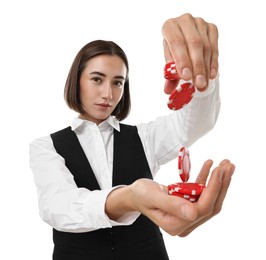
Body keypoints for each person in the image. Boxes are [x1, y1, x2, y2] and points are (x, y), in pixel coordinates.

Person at [29, 13, 235, 260]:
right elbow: (58, 207)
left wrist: (200, 79)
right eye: (97, 79)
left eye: (118, 83)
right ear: (77, 80)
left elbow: (194, 124)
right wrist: (131, 198)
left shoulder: (145, 137)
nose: (108, 93)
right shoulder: (46, 147)